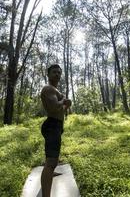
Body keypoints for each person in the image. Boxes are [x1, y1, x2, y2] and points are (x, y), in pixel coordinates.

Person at [40, 64, 71, 197]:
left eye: (59, 72)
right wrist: (64, 101)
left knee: (51, 157)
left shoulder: (55, 90)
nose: (57, 74)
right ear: (48, 74)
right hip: (52, 125)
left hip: (56, 126)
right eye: (54, 72)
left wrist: (65, 105)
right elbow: (53, 108)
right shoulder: (48, 88)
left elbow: (60, 110)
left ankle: (50, 172)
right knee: (52, 161)